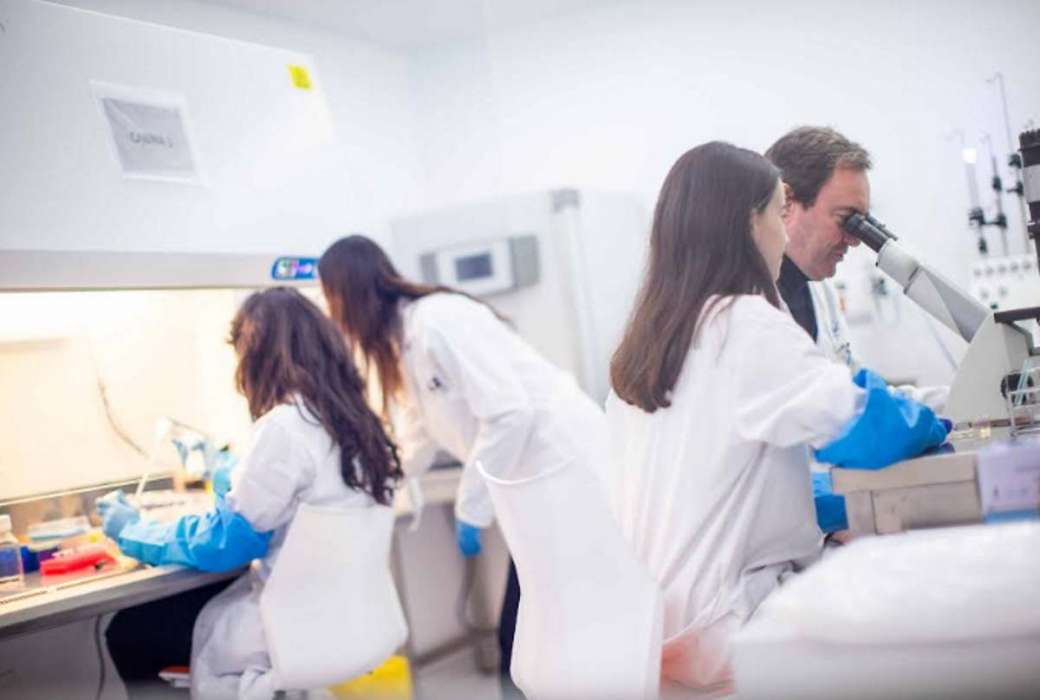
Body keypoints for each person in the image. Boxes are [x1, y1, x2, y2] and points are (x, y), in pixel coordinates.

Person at [605, 142, 948, 693]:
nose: (784, 236)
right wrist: (934, 420)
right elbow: (873, 432)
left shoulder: (649, 342)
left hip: (654, 635)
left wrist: (816, 506)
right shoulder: (740, 323)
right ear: (750, 223)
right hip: (731, 626)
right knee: (926, 611)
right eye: (776, 213)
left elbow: (709, 483)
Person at [318, 234, 608, 680]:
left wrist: (471, 507)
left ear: (348, 293)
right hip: (538, 488)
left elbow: (509, 412)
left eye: (330, 299)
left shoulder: (438, 321)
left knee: (532, 638)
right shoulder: (403, 343)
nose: (332, 315)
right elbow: (417, 437)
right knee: (530, 638)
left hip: (565, 472)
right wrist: (366, 489)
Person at [97, 287, 402, 699]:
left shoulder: (284, 426)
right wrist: (225, 467)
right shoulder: (362, 424)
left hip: (288, 627)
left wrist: (134, 531)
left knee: (131, 631)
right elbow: (299, 490)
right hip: (346, 620)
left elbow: (227, 542)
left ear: (257, 357)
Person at [764, 126, 948, 411]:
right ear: (786, 202)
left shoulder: (821, 293)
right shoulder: (745, 301)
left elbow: (858, 394)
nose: (855, 239)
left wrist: (956, 400)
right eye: (846, 219)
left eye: (861, 223)